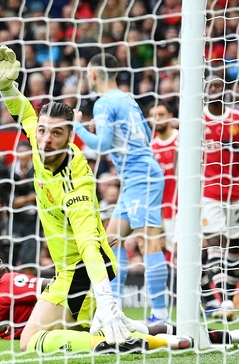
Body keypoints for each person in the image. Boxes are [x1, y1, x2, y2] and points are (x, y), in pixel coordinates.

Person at [0, 45, 140, 354]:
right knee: (66, 334)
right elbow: (25, 113)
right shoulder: (38, 140)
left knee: (30, 341)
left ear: (70, 136)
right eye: (43, 131)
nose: (45, 139)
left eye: (56, 134)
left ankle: (110, 342)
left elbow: (88, 242)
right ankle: (165, 336)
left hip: (83, 268)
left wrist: (106, 298)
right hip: (67, 269)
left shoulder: (76, 180)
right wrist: (7, 87)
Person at [0, 247, 239, 346]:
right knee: (144, 328)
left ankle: (210, 338)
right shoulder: (9, 282)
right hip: (74, 310)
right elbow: (50, 287)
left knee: (143, 330)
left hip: (68, 319)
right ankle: (233, 335)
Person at [73, 53, 170, 324]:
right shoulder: (127, 98)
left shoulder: (104, 103)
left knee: (148, 241)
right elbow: (146, 136)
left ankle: (160, 315)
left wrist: (76, 127)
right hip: (136, 177)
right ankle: (112, 311)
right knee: (110, 238)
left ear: (93, 74)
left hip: (141, 177)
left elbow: (101, 146)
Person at [200, 75, 239, 320]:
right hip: (207, 193)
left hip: (235, 192)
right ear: (204, 90)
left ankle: (227, 299)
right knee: (214, 240)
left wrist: (235, 146)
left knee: (234, 245)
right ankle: (222, 299)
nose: (215, 89)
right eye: (211, 85)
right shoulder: (197, 120)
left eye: (219, 85)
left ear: (226, 91)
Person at [149, 102, 178, 250]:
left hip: (187, 206)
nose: (157, 118)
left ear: (170, 117)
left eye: (161, 114)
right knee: (174, 252)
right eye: (154, 116)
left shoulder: (182, 140)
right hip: (166, 209)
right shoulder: (151, 148)